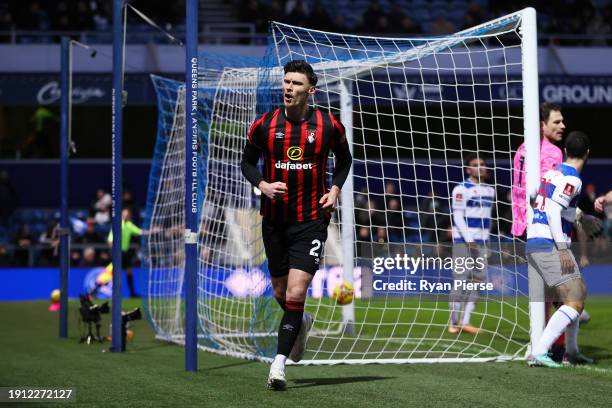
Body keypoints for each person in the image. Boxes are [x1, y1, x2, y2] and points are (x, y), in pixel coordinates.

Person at [240, 60, 352, 390]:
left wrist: (334, 190)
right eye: (286, 82)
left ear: (310, 90)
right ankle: (300, 321)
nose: (288, 88)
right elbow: (246, 162)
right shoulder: (265, 124)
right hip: (274, 221)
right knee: (280, 292)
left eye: (296, 84)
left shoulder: (329, 125)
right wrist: (263, 185)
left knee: (296, 290)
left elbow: (344, 162)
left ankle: (278, 365)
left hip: (311, 221)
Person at [526, 131, 593, 368]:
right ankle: (539, 352)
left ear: (565, 151)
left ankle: (571, 352)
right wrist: (564, 248)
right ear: (587, 153)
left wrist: (578, 216)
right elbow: (553, 211)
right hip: (549, 244)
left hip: (538, 239)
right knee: (574, 300)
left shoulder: (550, 174)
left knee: (578, 294)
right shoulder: (573, 180)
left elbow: (536, 198)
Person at [448, 154, 495, 334]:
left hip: (482, 244)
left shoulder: (490, 191)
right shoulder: (461, 189)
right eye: (476, 165)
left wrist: (487, 243)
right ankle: (453, 323)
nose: (480, 167)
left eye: (482, 164)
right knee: (460, 281)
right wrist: (469, 240)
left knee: (477, 283)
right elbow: (458, 217)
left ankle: (465, 322)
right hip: (463, 242)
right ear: (469, 169)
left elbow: (488, 220)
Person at [511, 102, 565, 239]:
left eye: (562, 122)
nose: (562, 126)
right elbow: (546, 192)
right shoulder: (553, 152)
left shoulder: (521, 148)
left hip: (518, 226)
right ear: (542, 125)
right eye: (557, 122)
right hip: (540, 226)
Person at [107, 208, 142, 298]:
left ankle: (132, 293)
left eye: (127, 214)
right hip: (117, 253)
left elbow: (140, 232)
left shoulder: (129, 225)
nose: (126, 215)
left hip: (125, 253)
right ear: (121, 214)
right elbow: (110, 240)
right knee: (112, 272)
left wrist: (152, 231)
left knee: (129, 271)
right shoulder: (117, 224)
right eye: (124, 213)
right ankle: (97, 289)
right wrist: (113, 252)